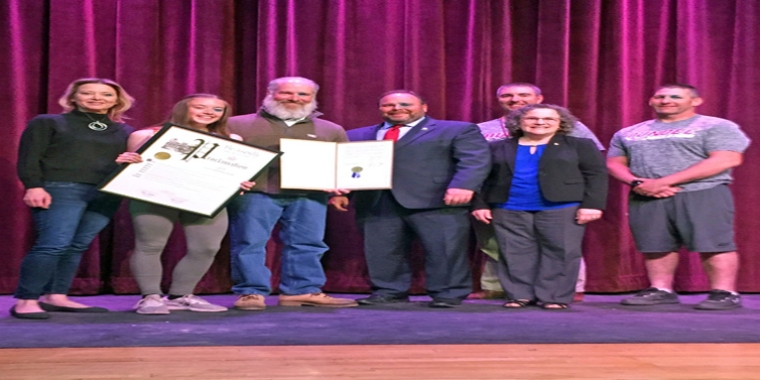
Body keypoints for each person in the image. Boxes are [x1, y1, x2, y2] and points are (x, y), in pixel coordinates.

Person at [330, 90, 491, 308]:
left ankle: (448, 293)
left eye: (405, 104)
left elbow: (474, 160)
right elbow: (346, 167)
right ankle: (388, 291)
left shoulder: (457, 129)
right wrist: (342, 193)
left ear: (424, 107)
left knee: (444, 249)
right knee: (382, 250)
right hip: (377, 201)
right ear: (380, 109)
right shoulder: (356, 134)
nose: (397, 108)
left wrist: (463, 185)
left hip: (437, 201)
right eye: (389, 105)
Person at [607, 84, 750, 310]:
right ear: (651, 101)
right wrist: (636, 183)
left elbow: (726, 159)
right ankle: (661, 289)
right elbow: (614, 163)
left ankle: (724, 292)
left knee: (714, 243)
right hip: (646, 194)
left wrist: (662, 182)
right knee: (655, 244)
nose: (666, 100)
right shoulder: (629, 132)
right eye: (660, 96)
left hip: (702, 192)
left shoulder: (716, 126)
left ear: (695, 101)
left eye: (675, 96)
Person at [226, 76, 357, 310]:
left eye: (303, 94)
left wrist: (339, 191)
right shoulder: (236, 124)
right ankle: (251, 292)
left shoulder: (331, 129)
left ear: (313, 98)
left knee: (308, 243)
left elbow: (343, 164)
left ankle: (302, 290)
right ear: (270, 93)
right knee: (249, 242)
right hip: (257, 193)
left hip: (311, 195)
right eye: (286, 93)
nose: (295, 98)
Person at [116, 94, 255, 315]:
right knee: (150, 244)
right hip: (155, 195)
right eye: (200, 107)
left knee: (207, 247)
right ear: (183, 108)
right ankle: (150, 296)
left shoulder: (232, 140)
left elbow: (233, 174)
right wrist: (125, 162)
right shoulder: (145, 134)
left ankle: (181, 296)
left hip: (206, 198)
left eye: (217, 110)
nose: (209, 112)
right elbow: (133, 169)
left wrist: (239, 183)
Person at [11, 78, 135, 319]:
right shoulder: (48, 122)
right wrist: (33, 186)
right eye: (88, 93)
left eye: (106, 94)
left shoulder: (126, 131)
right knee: (53, 244)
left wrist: (125, 163)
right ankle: (26, 300)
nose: (97, 98)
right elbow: (29, 158)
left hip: (106, 193)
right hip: (61, 188)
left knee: (77, 245)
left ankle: (56, 296)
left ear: (117, 100)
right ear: (73, 98)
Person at [472, 83, 605, 302]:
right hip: (508, 207)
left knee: (560, 252)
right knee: (514, 254)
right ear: (519, 122)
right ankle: (519, 295)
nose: (540, 122)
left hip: (561, 207)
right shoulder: (497, 146)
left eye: (548, 119)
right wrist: (479, 204)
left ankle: (554, 297)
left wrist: (593, 204)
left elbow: (596, 174)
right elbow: (479, 177)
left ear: (561, 123)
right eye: (532, 119)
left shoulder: (579, 144)